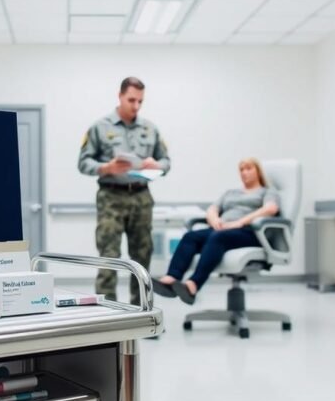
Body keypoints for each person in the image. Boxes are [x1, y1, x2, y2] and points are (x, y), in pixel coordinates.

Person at [78, 77, 171, 306]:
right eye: (131, 100)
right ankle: (107, 312)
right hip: (111, 197)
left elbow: (166, 161)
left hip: (141, 195)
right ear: (120, 96)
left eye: (140, 101)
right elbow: (83, 162)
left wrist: (156, 165)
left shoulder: (150, 129)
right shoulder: (100, 127)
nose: (136, 106)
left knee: (142, 255)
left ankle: (142, 310)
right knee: (109, 256)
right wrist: (106, 167)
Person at [152, 158, 280, 305]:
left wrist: (239, 222)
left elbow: (271, 208)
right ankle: (172, 278)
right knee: (191, 237)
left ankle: (193, 285)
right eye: (241, 169)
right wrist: (215, 221)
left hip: (249, 232)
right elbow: (213, 209)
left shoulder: (267, 192)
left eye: (249, 168)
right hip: (222, 230)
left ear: (258, 171)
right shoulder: (231, 193)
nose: (244, 172)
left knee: (218, 237)